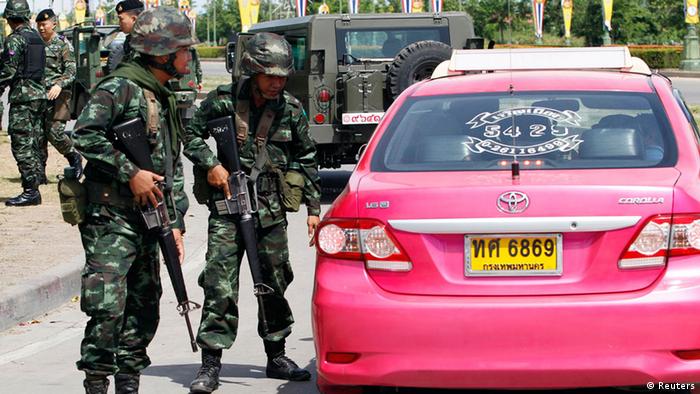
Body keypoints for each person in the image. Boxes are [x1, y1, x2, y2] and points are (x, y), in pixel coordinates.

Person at [183, 32, 321, 393]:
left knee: (274, 283)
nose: (277, 82)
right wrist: (212, 164)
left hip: (270, 212)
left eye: (281, 76)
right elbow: (191, 134)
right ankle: (210, 364)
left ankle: (276, 355)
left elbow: (306, 157)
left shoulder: (290, 108)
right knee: (219, 283)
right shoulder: (223, 101)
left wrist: (313, 208)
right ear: (253, 70)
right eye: (269, 75)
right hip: (228, 208)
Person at [72, 6, 195, 394]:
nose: (188, 57)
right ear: (162, 54)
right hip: (111, 216)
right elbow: (85, 134)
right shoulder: (119, 87)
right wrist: (131, 173)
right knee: (107, 304)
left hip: (151, 218)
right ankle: (96, 382)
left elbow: (170, 167)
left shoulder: (164, 94)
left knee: (145, 304)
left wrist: (175, 222)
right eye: (183, 50)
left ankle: (129, 381)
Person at [0, 0, 47, 206]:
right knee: (34, 140)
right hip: (38, 96)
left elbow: (7, 71)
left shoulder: (15, 40)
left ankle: (30, 191)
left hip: (23, 98)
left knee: (21, 143)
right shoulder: (36, 38)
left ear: (10, 18)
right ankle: (36, 183)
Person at [35, 9, 83, 179]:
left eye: (44, 24)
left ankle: (74, 157)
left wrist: (59, 84)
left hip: (59, 96)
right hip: (39, 95)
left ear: (53, 24)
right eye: (39, 25)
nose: (41, 28)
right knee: (39, 134)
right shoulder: (35, 44)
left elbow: (71, 70)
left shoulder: (63, 44)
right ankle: (40, 173)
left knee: (55, 133)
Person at [108, 0, 144, 72]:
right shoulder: (131, 41)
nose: (119, 23)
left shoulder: (146, 40)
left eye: (121, 19)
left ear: (134, 19)